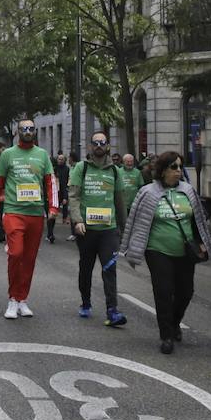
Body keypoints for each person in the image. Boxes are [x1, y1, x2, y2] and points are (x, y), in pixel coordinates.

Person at [120, 149, 211, 354]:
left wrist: (202, 242)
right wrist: (129, 247)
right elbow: (136, 221)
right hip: (157, 250)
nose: (178, 170)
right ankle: (166, 336)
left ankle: (174, 322)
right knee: (163, 292)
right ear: (162, 170)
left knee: (186, 292)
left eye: (180, 166)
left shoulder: (188, 191)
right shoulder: (147, 192)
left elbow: (198, 219)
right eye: (174, 167)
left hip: (185, 251)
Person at [0, 119, 57, 318]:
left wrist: (53, 207)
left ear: (34, 132)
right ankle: (12, 298)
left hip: (36, 213)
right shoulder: (8, 155)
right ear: (18, 131)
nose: (27, 132)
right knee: (17, 253)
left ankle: (22, 300)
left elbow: (50, 182)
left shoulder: (42, 155)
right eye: (24, 129)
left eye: (30, 129)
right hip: (13, 212)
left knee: (29, 259)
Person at [68, 132, 127, 328]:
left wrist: (124, 229)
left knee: (109, 268)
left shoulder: (115, 171)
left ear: (108, 146)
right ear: (90, 146)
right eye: (96, 143)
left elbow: (120, 202)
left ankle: (113, 310)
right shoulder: (81, 168)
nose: (99, 145)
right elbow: (74, 196)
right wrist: (77, 220)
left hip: (108, 230)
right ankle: (85, 301)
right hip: (86, 230)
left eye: (103, 143)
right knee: (86, 268)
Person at [49, 153, 70, 243]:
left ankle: (64, 218)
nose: (60, 160)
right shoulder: (54, 169)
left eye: (62, 159)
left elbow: (66, 183)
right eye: (59, 159)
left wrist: (65, 196)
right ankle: (50, 233)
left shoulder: (66, 169)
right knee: (52, 214)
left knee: (65, 205)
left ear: (65, 160)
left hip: (62, 191)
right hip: (54, 192)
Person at [117, 153, 144, 220]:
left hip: (134, 204)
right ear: (123, 162)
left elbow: (141, 187)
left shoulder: (137, 172)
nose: (130, 163)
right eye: (128, 161)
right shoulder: (118, 172)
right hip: (122, 204)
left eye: (131, 161)